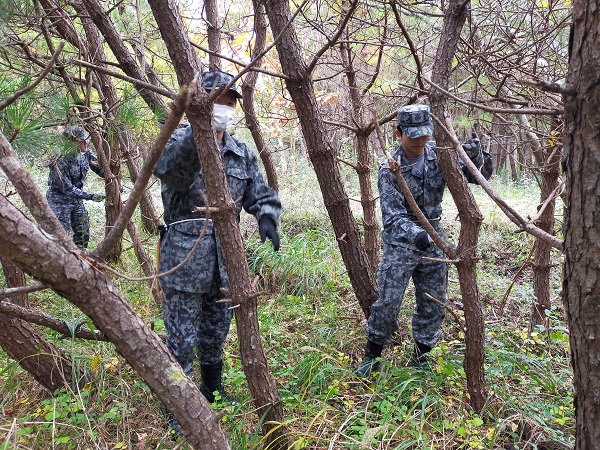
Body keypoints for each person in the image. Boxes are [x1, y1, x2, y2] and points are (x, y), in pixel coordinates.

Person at [153, 70, 281, 428]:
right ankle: (178, 411)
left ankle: (212, 389)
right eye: (217, 100)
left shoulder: (241, 152)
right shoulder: (177, 141)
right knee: (180, 341)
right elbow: (172, 174)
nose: (223, 108)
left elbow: (261, 194)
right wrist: (199, 134)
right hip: (184, 259)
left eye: (229, 102)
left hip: (226, 262)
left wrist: (268, 217)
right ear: (201, 103)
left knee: (215, 333)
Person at [355, 104, 493, 377]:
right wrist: (416, 234)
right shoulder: (389, 169)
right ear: (398, 133)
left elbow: (477, 178)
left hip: (435, 240)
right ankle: (372, 356)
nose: (420, 140)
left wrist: (474, 156)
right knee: (388, 302)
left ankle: (421, 358)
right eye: (413, 135)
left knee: (433, 301)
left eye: (425, 134)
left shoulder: (439, 156)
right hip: (402, 243)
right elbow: (392, 218)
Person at [46, 125, 105, 249]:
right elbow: (67, 188)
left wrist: (113, 179)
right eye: (81, 140)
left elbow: (99, 169)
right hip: (59, 201)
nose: (86, 142)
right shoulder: (59, 160)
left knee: (83, 232)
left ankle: (80, 260)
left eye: (86, 139)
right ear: (71, 143)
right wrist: (91, 196)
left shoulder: (86, 153)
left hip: (76, 200)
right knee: (61, 236)